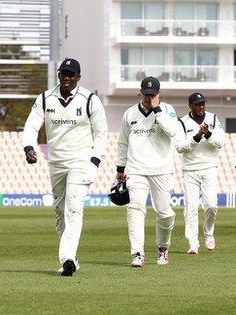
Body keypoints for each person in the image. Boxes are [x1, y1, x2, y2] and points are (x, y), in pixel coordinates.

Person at [21, 57, 108, 276]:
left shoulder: (90, 100)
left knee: (73, 208)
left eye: (71, 75)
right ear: (58, 75)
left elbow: (101, 134)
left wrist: (94, 161)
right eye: (63, 74)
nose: (67, 78)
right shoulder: (45, 98)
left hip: (81, 161)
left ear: (78, 77)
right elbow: (31, 125)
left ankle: (67, 257)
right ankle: (72, 258)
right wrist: (29, 147)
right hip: (56, 162)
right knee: (60, 212)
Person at [115, 77, 178, 267]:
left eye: (152, 94)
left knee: (165, 213)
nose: (149, 97)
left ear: (159, 94)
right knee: (135, 209)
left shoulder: (168, 110)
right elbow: (123, 142)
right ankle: (137, 254)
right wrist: (120, 168)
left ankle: (163, 248)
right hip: (136, 169)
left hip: (162, 169)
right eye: (146, 94)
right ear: (140, 93)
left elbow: (172, 131)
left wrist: (157, 110)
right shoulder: (129, 114)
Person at [175, 92, 224, 254]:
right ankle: (193, 242)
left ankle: (209, 233)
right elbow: (179, 147)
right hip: (190, 170)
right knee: (191, 207)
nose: (201, 106)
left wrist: (208, 134)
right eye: (197, 104)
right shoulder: (182, 122)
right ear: (190, 106)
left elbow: (220, 142)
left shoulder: (213, 119)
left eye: (203, 103)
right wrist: (196, 137)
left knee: (211, 205)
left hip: (209, 168)